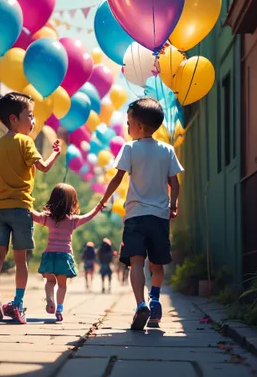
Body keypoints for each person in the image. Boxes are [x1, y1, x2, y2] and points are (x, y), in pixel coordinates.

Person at [0, 92, 61, 324]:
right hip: (21, 208)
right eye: (30, 116)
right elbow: (43, 167)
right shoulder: (26, 142)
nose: (34, 121)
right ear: (14, 119)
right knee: (20, 259)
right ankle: (18, 302)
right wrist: (55, 152)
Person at [100, 97, 184, 331]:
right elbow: (175, 185)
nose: (127, 128)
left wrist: (103, 200)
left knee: (135, 262)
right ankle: (155, 299)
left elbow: (117, 178)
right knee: (157, 264)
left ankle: (140, 304)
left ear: (138, 126)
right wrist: (173, 205)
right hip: (159, 217)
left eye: (128, 123)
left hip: (135, 216)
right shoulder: (167, 150)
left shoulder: (130, 148)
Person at [32, 184, 104, 321]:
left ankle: (49, 299)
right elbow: (89, 216)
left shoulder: (47, 218)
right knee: (62, 285)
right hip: (64, 257)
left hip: (49, 255)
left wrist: (24, 204)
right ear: (72, 202)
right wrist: (98, 207)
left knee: (50, 282)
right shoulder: (72, 221)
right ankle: (59, 308)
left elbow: (33, 215)